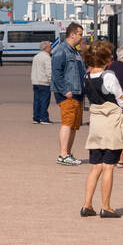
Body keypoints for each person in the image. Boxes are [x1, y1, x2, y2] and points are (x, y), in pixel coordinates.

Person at [79, 41, 123, 219]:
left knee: (95, 166)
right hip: (111, 123)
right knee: (108, 166)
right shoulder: (108, 76)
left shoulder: (87, 76)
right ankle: (106, 207)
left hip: (96, 122)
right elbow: (121, 100)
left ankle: (87, 205)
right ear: (105, 58)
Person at [51, 23, 86, 165]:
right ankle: (63, 154)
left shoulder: (75, 52)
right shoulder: (62, 50)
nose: (81, 37)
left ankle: (68, 153)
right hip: (68, 93)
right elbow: (56, 72)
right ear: (72, 34)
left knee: (73, 125)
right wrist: (65, 90)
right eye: (80, 34)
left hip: (77, 92)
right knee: (67, 123)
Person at [31, 41, 52, 124]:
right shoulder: (47, 58)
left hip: (35, 81)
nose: (51, 48)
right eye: (50, 47)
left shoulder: (36, 56)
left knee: (37, 101)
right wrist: (51, 80)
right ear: (46, 48)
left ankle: (36, 118)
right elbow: (48, 71)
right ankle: (44, 118)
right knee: (44, 101)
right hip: (44, 82)